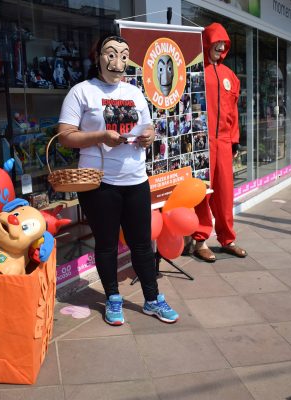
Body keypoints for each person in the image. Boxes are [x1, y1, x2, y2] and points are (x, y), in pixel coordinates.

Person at [57, 33, 178, 325]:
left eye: (123, 55)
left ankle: (152, 298)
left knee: (141, 244)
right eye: (111, 54)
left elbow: (147, 127)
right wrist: (100, 136)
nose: (118, 61)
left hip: (136, 180)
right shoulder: (81, 91)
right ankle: (112, 297)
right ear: (97, 57)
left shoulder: (135, 92)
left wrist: (149, 136)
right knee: (107, 244)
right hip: (99, 183)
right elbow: (64, 136)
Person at [191, 22, 247, 263]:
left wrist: (235, 141)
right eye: (216, 42)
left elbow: (233, 112)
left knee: (224, 193)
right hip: (202, 142)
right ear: (207, 42)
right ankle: (200, 241)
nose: (221, 46)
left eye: (224, 43)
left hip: (224, 142)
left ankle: (227, 239)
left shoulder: (230, 77)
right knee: (203, 192)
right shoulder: (195, 72)